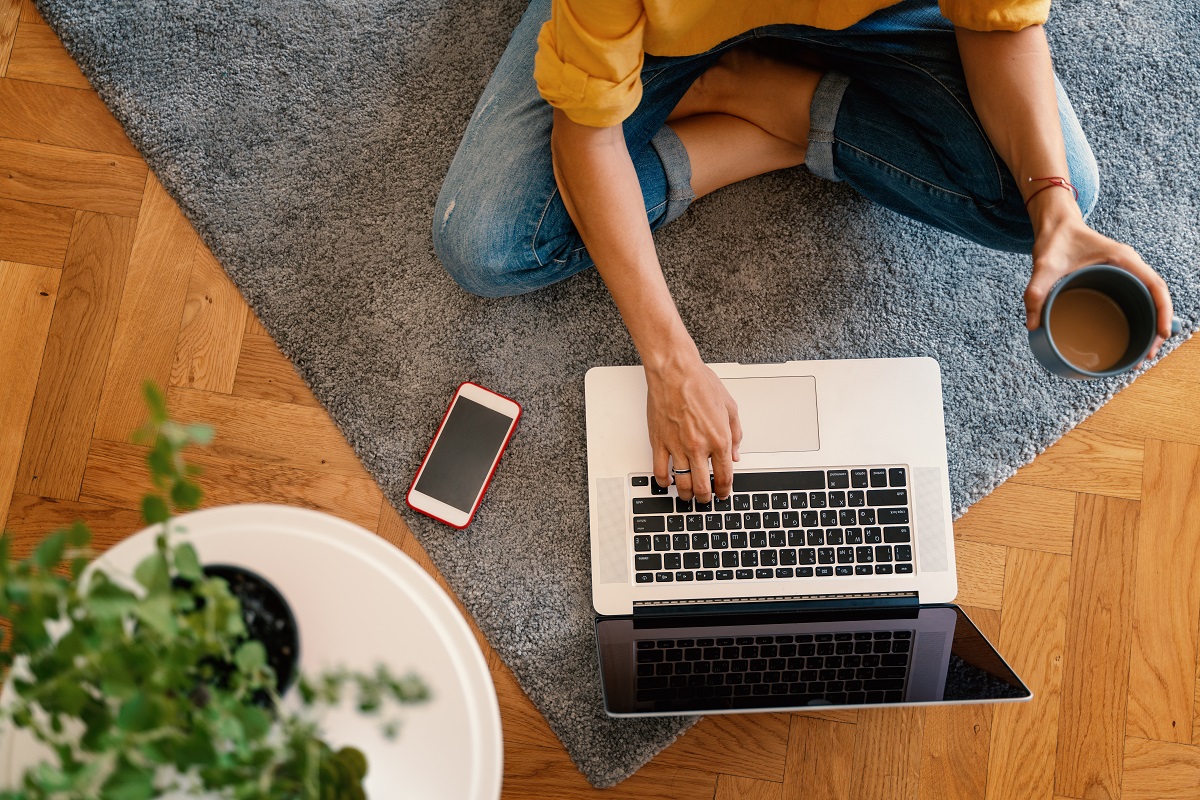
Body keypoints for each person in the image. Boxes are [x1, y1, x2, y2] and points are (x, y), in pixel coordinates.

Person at [433, 0, 1173, 506]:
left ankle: (771, 97)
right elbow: (585, 131)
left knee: (1055, 188)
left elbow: (998, 24)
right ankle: (783, 111)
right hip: (660, 29)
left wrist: (1055, 211)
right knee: (491, 244)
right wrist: (671, 363)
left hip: (883, 16)